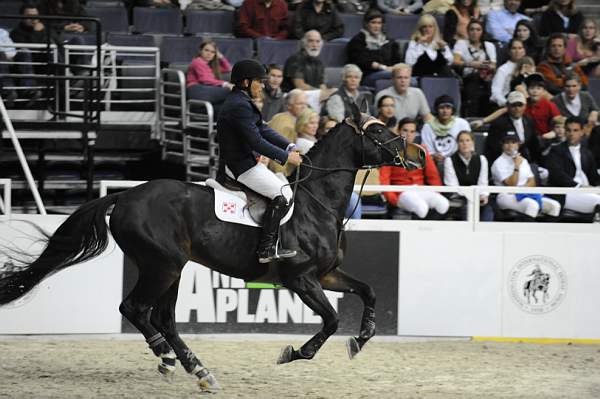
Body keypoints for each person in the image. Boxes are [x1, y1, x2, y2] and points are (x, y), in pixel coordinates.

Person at [217, 59, 302, 263]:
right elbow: (256, 141)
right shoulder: (239, 105)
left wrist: (288, 145)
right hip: (241, 165)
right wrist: (285, 157)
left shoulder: (241, 101)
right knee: (282, 194)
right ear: (246, 82)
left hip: (244, 160)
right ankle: (266, 248)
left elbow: (262, 128)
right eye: (259, 81)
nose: (263, 86)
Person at [380, 118, 449, 219]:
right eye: (405, 130)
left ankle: (430, 232)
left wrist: (436, 191)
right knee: (422, 207)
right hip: (401, 192)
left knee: (443, 204)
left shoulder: (422, 150)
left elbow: (433, 175)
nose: (409, 134)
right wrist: (394, 199)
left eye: (412, 131)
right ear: (398, 131)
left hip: (420, 189)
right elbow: (384, 180)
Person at [491, 130, 561, 218]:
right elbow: (511, 185)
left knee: (554, 205)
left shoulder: (523, 161)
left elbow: (532, 182)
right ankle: (526, 231)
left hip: (526, 193)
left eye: (513, 142)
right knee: (532, 205)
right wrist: (516, 166)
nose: (510, 146)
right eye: (507, 143)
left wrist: (522, 190)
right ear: (502, 145)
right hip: (506, 196)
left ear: (518, 145)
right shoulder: (498, 163)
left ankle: (545, 231)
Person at [546, 116, 600, 214]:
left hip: (587, 190)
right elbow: (558, 176)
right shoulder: (556, 151)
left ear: (582, 132)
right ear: (565, 132)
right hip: (567, 193)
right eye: (568, 130)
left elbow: (594, 177)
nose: (571, 134)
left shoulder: (586, 152)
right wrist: (579, 186)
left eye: (575, 130)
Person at [443, 131, 494, 221]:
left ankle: (484, 234)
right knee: (468, 208)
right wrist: (472, 196)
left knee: (488, 208)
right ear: (457, 143)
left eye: (467, 140)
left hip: (477, 196)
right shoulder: (449, 160)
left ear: (472, 142)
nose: (465, 144)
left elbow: (483, 183)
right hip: (459, 197)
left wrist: (483, 196)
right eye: (461, 141)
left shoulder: (481, 159)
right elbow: (452, 186)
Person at [346, 9, 402, 88]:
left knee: (404, 76)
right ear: (366, 24)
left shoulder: (389, 41)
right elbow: (362, 61)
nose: (376, 26)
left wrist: (395, 67)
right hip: (367, 74)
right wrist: (382, 67)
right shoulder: (358, 40)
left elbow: (397, 59)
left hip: (388, 72)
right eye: (373, 22)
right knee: (397, 76)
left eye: (379, 23)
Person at [453, 18, 496, 117]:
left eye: (478, 29)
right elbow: (455, 62)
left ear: (482, 31)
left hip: (485, 78)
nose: (474, 32)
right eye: (472, 29)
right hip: (468, 78)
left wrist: (485, 67)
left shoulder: (489, 46)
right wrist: (473, 64)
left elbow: (493, 65)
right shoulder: (461, 43)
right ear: (468, 31)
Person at [485, 91, 541, 165]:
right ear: (508, 106)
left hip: (525, 161)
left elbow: (533, 144)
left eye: (520, 105)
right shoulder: (498, 123)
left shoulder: (528, 120)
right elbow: (493, 147)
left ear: (525, 106)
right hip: (504, 162)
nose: (517, 108)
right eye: (514, 105)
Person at [282, 30, 336, 104]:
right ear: (304, 43)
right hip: (294, 97)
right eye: (311, 41)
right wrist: (321, 92)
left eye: (317, 41)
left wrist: (325, 93)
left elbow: (321, 84)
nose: (314, 45)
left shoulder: (319, 62)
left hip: (312, 95)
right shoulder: (295, 59)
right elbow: (300, 85)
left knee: (335, 92)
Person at [420, 95, 471, 169]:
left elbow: (469, 147)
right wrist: (434, 156)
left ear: (452, 110)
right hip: (436, 164)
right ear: (436, 109)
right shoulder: (427, 127)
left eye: (448, 108)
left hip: (458, 162)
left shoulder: (462, 123)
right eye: (441, 108)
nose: (445, 111)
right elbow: (426, 152)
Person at [186, 40, 233, 112]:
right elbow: (205, 80)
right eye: (206, 50)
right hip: (196, 90)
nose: (209, 54)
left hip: (206, 90)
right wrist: (226, 84)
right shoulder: (197, 61)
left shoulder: (211, 66)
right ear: (200, 51)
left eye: (213, 52)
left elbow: (228, 68)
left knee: (226, 108)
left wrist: (221, 57)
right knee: (235, 91)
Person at [268, 89, 308, 174]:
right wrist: (281, 177)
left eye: (305, 104)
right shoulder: (285, 123)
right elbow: (277, 154)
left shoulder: (289, 120)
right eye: (300, 104)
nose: (304, 107)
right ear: (289, 105)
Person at [405, 14, 453, 78]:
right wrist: (418, 44)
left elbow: (450, 62)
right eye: (424, 27)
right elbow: (409, 63)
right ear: (420, 29)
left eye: (430, 26)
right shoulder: (414, 43)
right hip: (421, 75)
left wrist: (443, 49)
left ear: (434, 28)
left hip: (439, 76)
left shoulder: (440, 43)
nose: (427, 29)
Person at [490, 38, 526, 107]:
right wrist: (507, 104)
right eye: (514, 48)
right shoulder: (503, 69)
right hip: (508, 103)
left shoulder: (528, 66)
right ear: (509, 51)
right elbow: (495, 92)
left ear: (524, 51)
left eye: (520, 48)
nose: (517, 51)